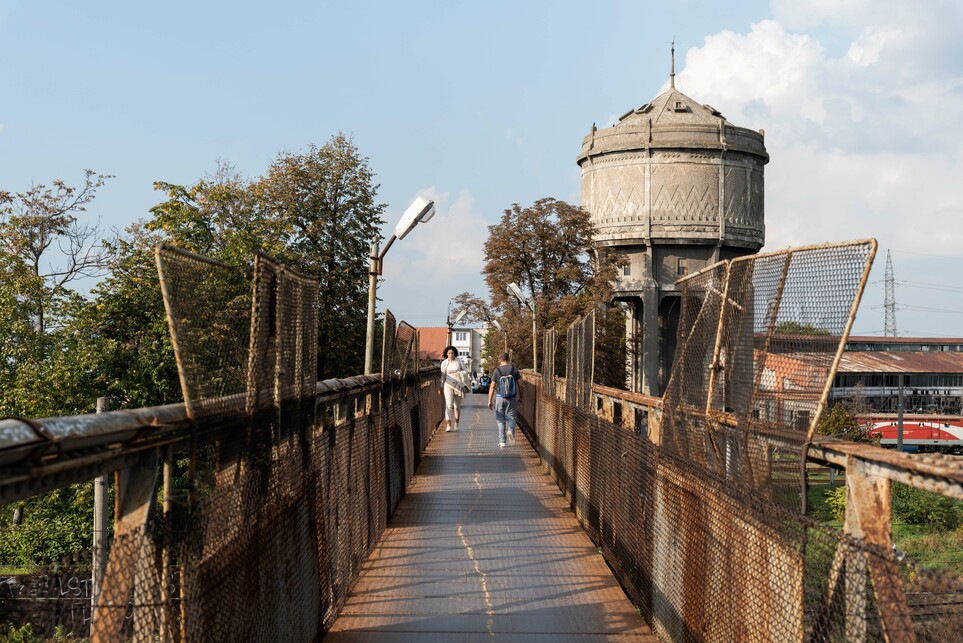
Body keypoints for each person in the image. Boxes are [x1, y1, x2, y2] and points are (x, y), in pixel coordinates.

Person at [487, 352, 521, 447]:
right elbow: (519, 385)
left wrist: (489, 400)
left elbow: (492, 387)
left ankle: (502, 442)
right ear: (508, 359)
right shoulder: (514, 369)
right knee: (512, 418)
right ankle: (510, 431)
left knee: (500, 419)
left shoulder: (497, 370)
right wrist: (521, 396)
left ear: (500, 360)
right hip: (511, 398)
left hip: (499, 397)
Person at [440, 346, 467, 431]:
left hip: (458, 385)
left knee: (457, 406)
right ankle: (448, 425)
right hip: (448, 385)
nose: (451, 355)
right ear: (446, 354)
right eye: (449, 353)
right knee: (448, 405)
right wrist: (441, 386)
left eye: (452, 353)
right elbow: (443, 375)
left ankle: (457, 423)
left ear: (454, 353)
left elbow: (466, 372)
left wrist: (459, 373)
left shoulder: (459, 362)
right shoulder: (444, 363)